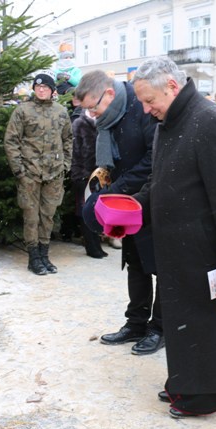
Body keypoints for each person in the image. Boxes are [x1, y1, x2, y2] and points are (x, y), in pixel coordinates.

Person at [128, 56, 216, 418]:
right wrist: (133, 207)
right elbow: (161, 180)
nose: (145, 109)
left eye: (149, 100)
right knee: (187, 327)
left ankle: (209, 396)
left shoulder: (211, 122)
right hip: (180, 251)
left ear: (171, 87)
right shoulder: (169, 122)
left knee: (214, 328)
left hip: (210, 252)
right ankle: (187, 382)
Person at [76, 70, 163, 356]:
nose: (91, 114)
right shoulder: (109, 117)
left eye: (93, 106)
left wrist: (120, 188)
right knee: (134, 261)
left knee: (160, 266)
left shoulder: (142, 107)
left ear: (110, 94)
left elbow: (155, 156)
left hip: (152, 197)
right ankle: (135, 322)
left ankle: (159, 328)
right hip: (124, 202)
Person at [4, 73, 73, 276]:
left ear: (52, 90)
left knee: (48, 215)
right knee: (31, 215)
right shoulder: (23, 111)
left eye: (45, 87)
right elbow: (11, 141)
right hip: (30, 174)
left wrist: (65, 164)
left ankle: (44, 254)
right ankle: (33, 257)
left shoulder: (61, 112)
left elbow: (68, 139)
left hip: (54, 174)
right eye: (38, 87)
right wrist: (19, 170)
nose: (41, 90)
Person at [70, 109, 107, 259]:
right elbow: (74, 152)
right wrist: (78, 174)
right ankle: (91, 247)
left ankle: (97, 244)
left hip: (100, 174)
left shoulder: (103, 122)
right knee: (86, 209)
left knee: (98, 210)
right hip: (84, 175)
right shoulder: (79, 124)